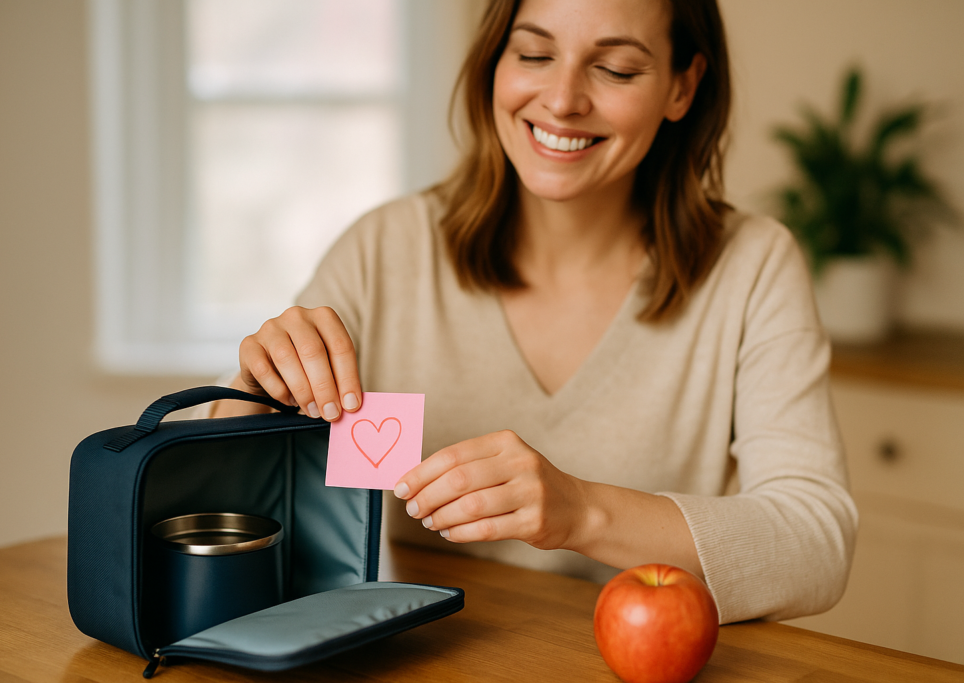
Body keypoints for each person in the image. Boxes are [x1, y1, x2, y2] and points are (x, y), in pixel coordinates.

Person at [210, 0, 857, 625]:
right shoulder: (385, 248)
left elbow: (816, 545)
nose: (563, 98)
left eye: (616, 69)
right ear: (496, 61)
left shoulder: (753, 267)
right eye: (534, 53)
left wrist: (581, 510)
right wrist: (250, 393)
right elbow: (226, 512)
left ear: (683, 87)